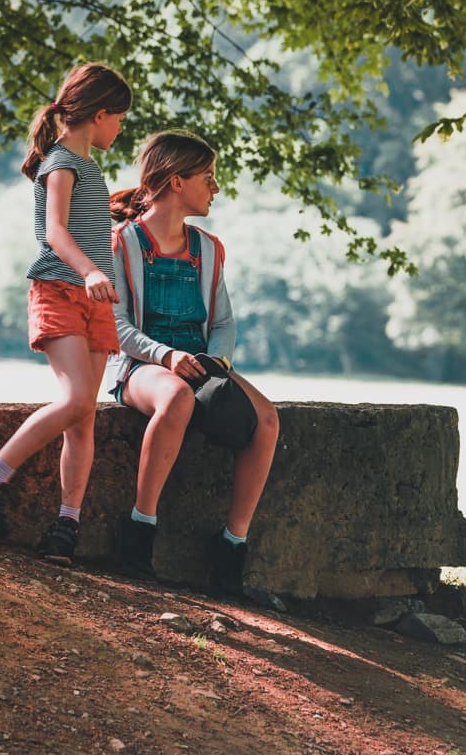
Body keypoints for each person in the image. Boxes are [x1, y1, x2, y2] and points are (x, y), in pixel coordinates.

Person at [0, 62, 132, 565]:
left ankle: (66, 525)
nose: (121, 129)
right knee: (75, 401)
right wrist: (90, 271)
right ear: (99, 114)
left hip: (95, 301)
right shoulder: (60, 163)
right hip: (60, 290)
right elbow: (55, 231)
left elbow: (88, 225)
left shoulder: (89, 166)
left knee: (84, 417)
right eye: (120, 119)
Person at [107, 130, 279, 597]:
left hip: (201, 364)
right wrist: (166, 356)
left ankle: (232, 546)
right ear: (177, 182)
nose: (216, 187)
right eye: (208, 177)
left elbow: (223, 322)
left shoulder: (208, 248)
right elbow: (116, 327)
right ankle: (139, 531)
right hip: (141, 366)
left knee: (267, 419)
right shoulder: (121, 242)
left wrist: (216, 362)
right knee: (177, 398)